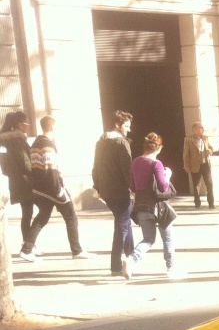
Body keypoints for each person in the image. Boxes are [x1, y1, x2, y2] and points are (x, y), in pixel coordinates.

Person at [20, 115, 90, 261]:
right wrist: (59, 191)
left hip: (40, 188)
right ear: (52, 127)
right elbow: (51, 170)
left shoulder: (35, 144)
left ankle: (26, 249)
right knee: (71, 216)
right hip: (53, 188)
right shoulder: (48, 145)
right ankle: (76, 250)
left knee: (42, 218)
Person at [123, 132, 181, 280]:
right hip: (159, 207)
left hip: (142, 204)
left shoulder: (135, 162)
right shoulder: (157, 164)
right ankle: (171, 268)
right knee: (167, 238)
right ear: (159, 148)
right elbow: (162, 187)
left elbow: (132, 186)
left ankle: (131, 259)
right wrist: (168, 174)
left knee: (148, 239)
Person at [91, 110, 134, 274]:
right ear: (118, 125)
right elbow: (127, 169)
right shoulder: (121, 143)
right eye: (127, 126)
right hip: (120, 191)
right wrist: (134, 189)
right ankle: (116, 266)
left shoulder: (100, 142)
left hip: (106, 190)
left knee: (125, 222)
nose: (129, 129)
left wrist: (98, 187)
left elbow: (95, 167)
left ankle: (132, 257)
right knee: (122, 225)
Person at [0, 111, 36, 260]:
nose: (28, 127)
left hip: (16, 181)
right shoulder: (17, 140)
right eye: (26, 124)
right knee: (31, 213)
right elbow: (25, 162)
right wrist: (36, 172)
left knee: (27, 213)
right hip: (25, 181)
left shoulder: (8, 140)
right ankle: (28, 246)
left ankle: (29, 244)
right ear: (19, 125)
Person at [183, 121, 215, 209]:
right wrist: (186, 166)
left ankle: (211, 203)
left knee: (209, 184)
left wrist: (210, 151)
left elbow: (211, 147)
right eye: (200, 128)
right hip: (195, 165)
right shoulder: (189, 139)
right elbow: (186, 154)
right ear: (195, 129)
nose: (202, 130)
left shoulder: (205, 138)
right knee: (196, 185)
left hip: (205, 164)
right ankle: (197, 203)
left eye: (202, 128)